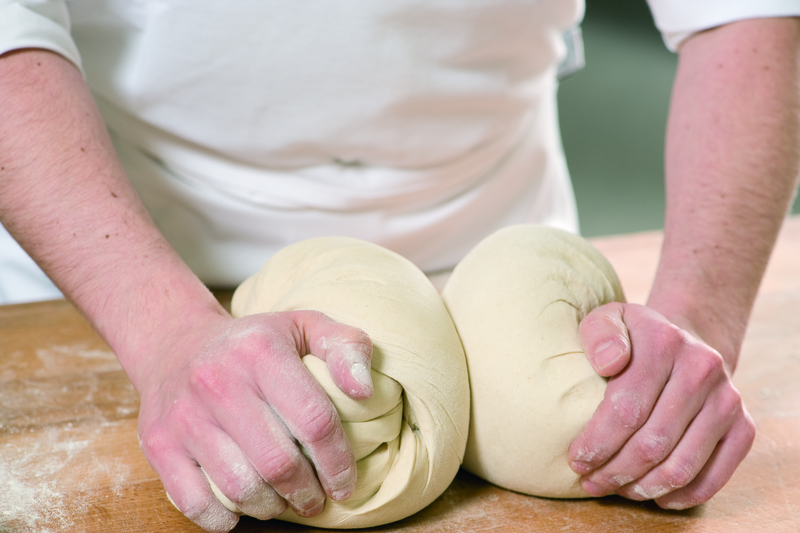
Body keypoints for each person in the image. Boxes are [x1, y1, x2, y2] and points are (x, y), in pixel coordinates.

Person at [1, 1, 799, 531]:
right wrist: (165, 329)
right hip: (118, 255)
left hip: (497, 260)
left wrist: (696, 317)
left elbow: (747, 14)